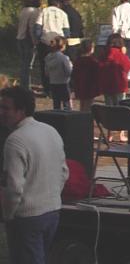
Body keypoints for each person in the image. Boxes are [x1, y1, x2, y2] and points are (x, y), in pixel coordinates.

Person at [0, 86, 69, 264]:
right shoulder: (50, 130)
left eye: (5, 108)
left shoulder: (15, 140)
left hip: (27, 217)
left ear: (21, 110)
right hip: (52, 212)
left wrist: (8, 215)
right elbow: (64, 172)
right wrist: (51, 197)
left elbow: (14, 187)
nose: (1, 112)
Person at [100, 33, 130, 142]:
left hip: (106, 85)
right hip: (119, 85)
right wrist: (124, 54)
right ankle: (121, 134)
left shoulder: (104, 54)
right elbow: (128, 65)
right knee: (120, 109)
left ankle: (109, 134)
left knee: (109, 109)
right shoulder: (120, 55)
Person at [38, 0, 69, 95]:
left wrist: (38, 39)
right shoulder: (63, 13)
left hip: (45, 42)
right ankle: (58, 88)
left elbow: (38, 28)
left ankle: (47, 89)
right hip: (59, 42)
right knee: (59, 66)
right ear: (58, 3)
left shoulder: (43, 12)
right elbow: (66, 31)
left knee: (45, 66)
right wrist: (64, 41)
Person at [15, 0, 41, 90]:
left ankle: (23, 84)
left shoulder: (23, 10)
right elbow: (32, 27)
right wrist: (35, 41)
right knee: (28, 65)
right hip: (28, 39)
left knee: (23, 64)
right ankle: (26, 86)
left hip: (20, 38)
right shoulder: (35, 11)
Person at [71, 39, 101, 112]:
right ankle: (86, 120)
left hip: (80, 85)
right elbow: (97, 74)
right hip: (90, 87)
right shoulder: (92, 61)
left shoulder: (77, 60)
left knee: (82, 104)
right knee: (89, 106)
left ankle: (82, 118)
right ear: (91, 49)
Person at [44, 36, 73, 111]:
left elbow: (46, 72)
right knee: (67, 104)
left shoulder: (47, 57)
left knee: (56, 104)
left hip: (53, 83)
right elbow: (68, 71)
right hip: (64, 83)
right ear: (62, 46)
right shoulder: (64, 58)